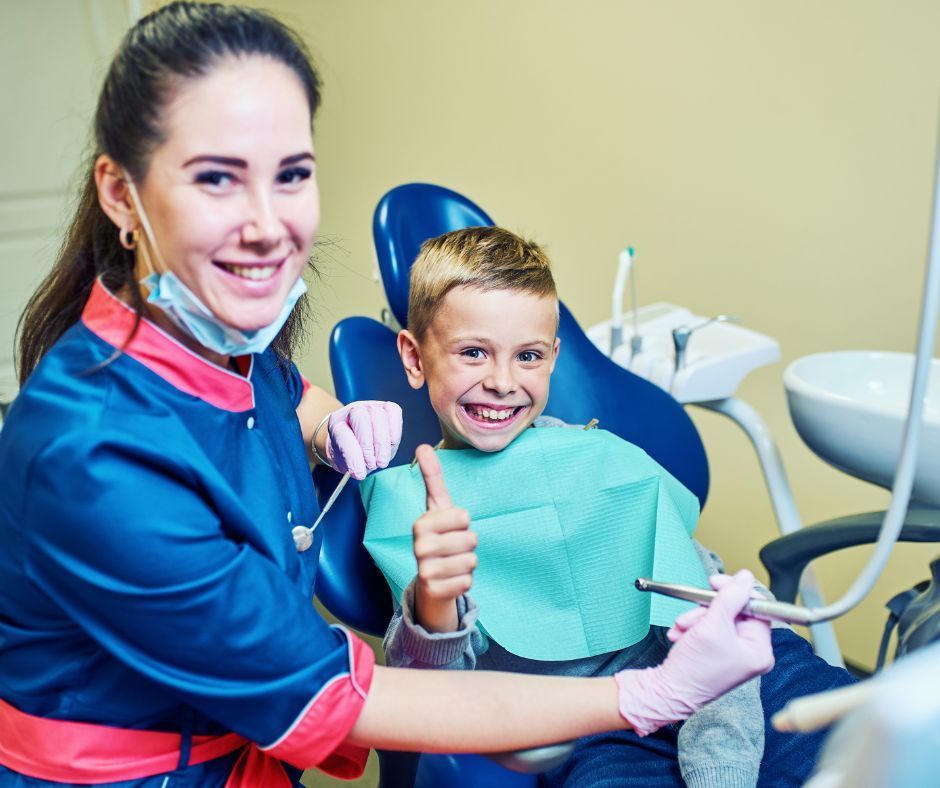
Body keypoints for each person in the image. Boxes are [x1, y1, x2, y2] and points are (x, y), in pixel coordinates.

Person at [0, 4, 775, 786]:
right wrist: (652, 694)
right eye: (216, 178)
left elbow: (277, 397)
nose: (269, 226)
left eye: (292, 174)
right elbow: (349, 696)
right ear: (121, 194)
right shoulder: (94, 456)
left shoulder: (220, 341)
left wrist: (329, 426)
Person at [361, 226, 857, 787]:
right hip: (595, 722)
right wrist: (436, 602)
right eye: (474, 353)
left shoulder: (599, 457)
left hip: (736, 678)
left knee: (879, 743)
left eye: (528, 356)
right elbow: (429, 695)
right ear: (414, 356)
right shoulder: (419, 507)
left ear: (553, 358)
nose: (502, 382)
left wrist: (722, 767)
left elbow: (704, 591)